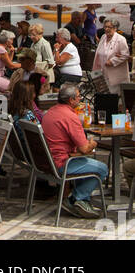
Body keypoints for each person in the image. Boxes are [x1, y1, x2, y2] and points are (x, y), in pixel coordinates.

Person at [41, 83, 108, 217]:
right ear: (71, 100)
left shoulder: (50, 112)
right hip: (62, 164)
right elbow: (84, 148)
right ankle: (75, 198)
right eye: (78, 97)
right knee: (102, 169)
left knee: (85, 162)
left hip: (47, 162)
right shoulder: (70, 117)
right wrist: (92, 144)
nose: (80, 100)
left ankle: (83, 200)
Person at [92, 18, 131, 96]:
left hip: (115, 74)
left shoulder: (121, 39)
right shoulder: (103, 37)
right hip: (101, 72)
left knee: (114, 97)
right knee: (103, 95)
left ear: (115, 28)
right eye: (105, 27)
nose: (106, 29)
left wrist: (112, 61)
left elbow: (125, 55)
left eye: (109, 27)